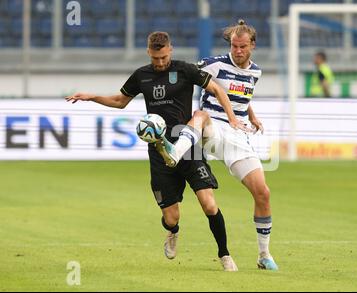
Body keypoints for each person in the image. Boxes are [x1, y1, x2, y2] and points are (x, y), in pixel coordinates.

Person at [65, 31, 246, 271]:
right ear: (149, 53)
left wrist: (232, 118)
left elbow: (218, 90)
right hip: (160, 151)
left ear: (170, 49)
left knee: (209, 204)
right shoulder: (141, 75)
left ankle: (225, 255)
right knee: (172, 218)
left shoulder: (185, 70)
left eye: (163, 57)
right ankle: (173, 232)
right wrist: (92, 97)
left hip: (188, 148)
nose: (159, 63)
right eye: (155, 58)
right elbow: (120, 101)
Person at [156, 20, 278, 270]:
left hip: (238, 135)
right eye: (234, 46)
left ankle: (264, 256)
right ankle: (174, 152)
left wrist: (251, 115)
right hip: (213, 128)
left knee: (263, 193)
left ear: (252, 45)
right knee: (200, 115)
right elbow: (184, 72)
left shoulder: (256, 72)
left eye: (243, 47)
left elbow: (242, 94)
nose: (238, 51)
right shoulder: (213, 63)